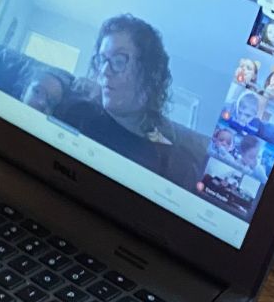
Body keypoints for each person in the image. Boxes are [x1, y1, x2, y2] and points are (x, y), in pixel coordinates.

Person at [56, 13, 201, 189]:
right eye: (102, 60)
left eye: (118, 61)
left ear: (150, 75)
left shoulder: (174, 165)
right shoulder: (75, 112)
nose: (104, 71)